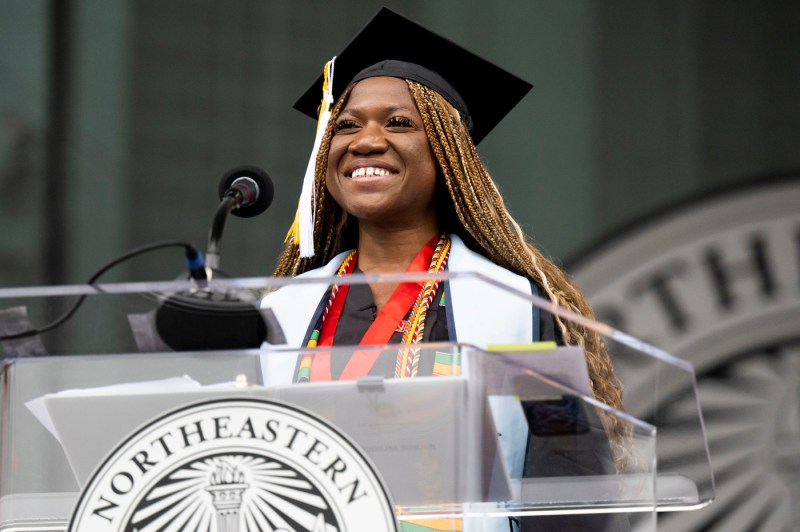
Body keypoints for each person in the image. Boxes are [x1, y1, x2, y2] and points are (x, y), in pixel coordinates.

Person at [261, 8, 631, 531]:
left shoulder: (513, 311)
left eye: (398, 122)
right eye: (345, 125)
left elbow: (567, 477)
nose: (364, 140)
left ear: (448, 153)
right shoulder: (284, 310)